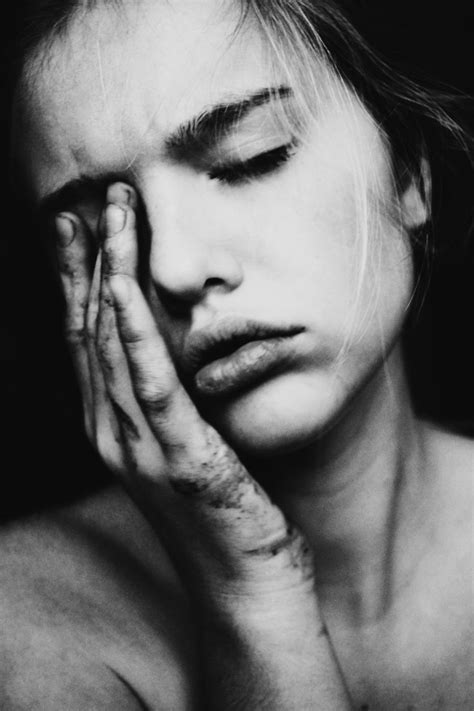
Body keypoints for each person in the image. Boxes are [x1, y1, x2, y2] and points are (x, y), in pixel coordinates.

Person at [1, 0, 473, 708]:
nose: (176, 268)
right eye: (105, 232)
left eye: (250, 157)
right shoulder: (22, 629)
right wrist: (252, 598)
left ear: (409, 173)